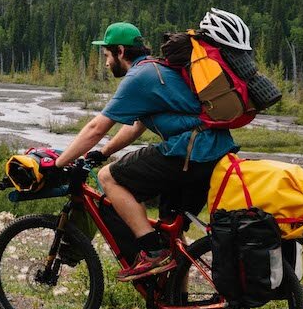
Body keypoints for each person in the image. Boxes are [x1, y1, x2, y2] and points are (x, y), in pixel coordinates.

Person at [53, 21, 238, 282]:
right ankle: (177, 308)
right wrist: (102, 152)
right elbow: (137, 125)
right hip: (211, 153)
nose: (106, 63)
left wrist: (59, 163)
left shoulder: (139, 77)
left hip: (190, 151)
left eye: (106, 55)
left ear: (119, 51)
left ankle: (152, 251)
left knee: (109, 178)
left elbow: (96, 127)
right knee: (172, 232)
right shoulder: (157, 69)